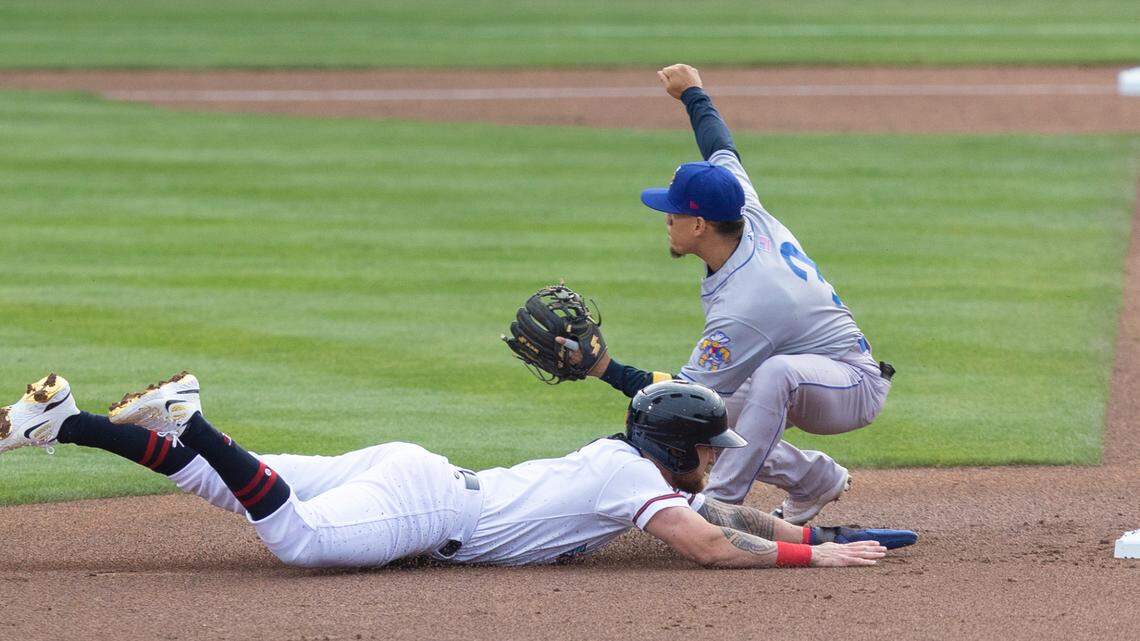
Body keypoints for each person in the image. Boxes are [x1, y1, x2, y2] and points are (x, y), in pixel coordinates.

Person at [0, 372, 915, 569]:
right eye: (709, 448)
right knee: (299, 543)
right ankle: (191, 417)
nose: (717, 460)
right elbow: (709, 544)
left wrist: (814, 531)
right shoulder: (632, 485)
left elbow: (727, 514)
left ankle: (62, 420)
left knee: (218, 479)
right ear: (677, 450)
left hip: (418, 471)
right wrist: (815, 563)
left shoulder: (627, 465)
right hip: (425, 502)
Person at [573, 64, 895, 524]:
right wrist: (693, 94)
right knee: (711, 422)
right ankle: (813, 480)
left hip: (849, 387)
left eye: (673, 213)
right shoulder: (741, 206)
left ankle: (719, 507)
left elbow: (684, 393)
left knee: (765, 380)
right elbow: (720, 146)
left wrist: (606, 369)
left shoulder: (750, 303)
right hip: (810, 375)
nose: (666, 219)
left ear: (700, 225)